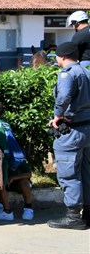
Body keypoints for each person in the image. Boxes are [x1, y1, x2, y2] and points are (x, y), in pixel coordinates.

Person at [47, 42, 90, 229]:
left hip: (72, 130)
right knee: (87, 172)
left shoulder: (67, 73)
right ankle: (87, 213)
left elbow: (63, 97)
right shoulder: (86, 71)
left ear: (62, 57)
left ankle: (73, 217)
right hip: (88, 129)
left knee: (69, 173)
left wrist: (57, 116)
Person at [0, 101, 35, 222]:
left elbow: (28, 174)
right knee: (0, 183)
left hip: (2, 157)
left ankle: (10, 210)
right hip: (9, 156)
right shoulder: (5, 124)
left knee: (1, 183)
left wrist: (13, 178)